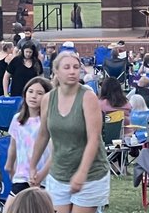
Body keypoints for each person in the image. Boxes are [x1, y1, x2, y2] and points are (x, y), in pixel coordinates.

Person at [30, 52, 110, 213]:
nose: (72, 71)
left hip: (90, 174)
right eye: (67, 67)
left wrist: (82, 173)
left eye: (75, 67)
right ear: (56, 72)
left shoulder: (88, 97)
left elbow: (94, 139)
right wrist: (32, 166)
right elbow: (43, 134)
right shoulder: (48, 99)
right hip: (59, 173)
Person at [4, 77, 53, 212]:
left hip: (43, 178)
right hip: (21, 177)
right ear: (25, 94)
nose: (33, 96)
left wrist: (41, 175)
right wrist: (9, 165)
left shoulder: (49, 121)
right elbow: (13, 146)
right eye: (30, 91)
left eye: (39, 93)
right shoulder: (17, 119)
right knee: (9, 209)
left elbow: (55, 153)